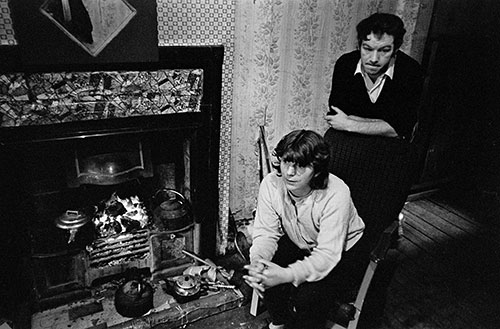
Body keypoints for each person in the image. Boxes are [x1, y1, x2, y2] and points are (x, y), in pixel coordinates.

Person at [243, 130, 365, 329]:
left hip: (344, 252)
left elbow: (327, 255)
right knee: (266, 271)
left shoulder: (336, 193)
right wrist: (258, 261)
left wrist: (287, 274)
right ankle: (279, 322)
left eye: (300, 166)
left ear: (317, 170)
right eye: (286, 162)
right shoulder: (271, 184)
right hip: (302, 241)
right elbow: (266, 233)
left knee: (307, 299)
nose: (289, 172)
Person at [324, 13, 424, 141]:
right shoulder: (345, 64)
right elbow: (335, 116)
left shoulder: (410, 70)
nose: (374, 59)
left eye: (384, 50)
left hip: (389, 148)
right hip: (346, 141)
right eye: (367, 49)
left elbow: (403, 127)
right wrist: (383, 124)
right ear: (359, 45)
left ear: (396, 50)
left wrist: (349, 124)